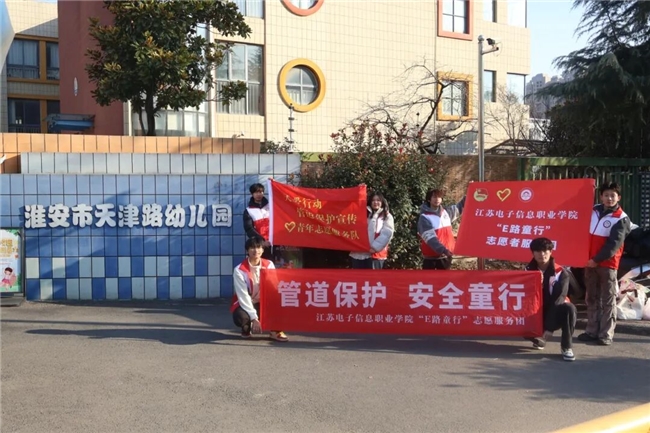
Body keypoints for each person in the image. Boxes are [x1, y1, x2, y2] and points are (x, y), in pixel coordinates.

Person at [578, 182, 631, 346]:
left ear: (618, 197)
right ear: (601, 196)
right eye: (606, 195)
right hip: (589, 262)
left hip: (607, 265)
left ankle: (606, 334)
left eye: (612, 195)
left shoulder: (621, 218)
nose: (609, 198)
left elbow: (613, 245)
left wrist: (596, 260)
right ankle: (591, 331)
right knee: (591, 298)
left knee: (608, 300)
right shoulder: (593, 210)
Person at [525, 237, 577, 362]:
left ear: (551, 252)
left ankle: (566, 347)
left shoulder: (561, 272)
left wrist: (550, 327)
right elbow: (524, 297)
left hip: (556, 310)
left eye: (545, 251)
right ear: (533, 253)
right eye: (538, 251)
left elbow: (559, 299)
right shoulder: (527, 271)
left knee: (570, 308)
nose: (542, 254)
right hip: (536, 311)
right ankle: (539, 339)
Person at [231, 236, 289, 342]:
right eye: (252, 248)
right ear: (247, 250)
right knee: (241, 317)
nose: (256, 250)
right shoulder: (239, 270)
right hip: (248, 302)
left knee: (281, 305)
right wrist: (254, 318)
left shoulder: (269, 264)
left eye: (259, 247)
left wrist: (266, 277)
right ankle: (247, 327)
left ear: (262, 250)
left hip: (264, 302)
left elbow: (274, 288)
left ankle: (275, 331)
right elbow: (243, 296)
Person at [417, 188, 465, 270]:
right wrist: (443, 250)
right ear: (429, 199)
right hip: (431, 258)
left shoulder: (446, 212)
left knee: (445, 278)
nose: (437, 199)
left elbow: (460, 206)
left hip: (446, 257)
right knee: (429, 278)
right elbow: (430, 238)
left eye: (439, 197)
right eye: (434, 197)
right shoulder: (424, 217)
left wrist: (472, 191)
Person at [349, 192, 395, 269]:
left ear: (382, 202)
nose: (375, 202)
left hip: (376, 254)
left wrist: (375, 248)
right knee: (358, 276)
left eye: (378, 200)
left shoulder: (386, 216)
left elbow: (387, 233)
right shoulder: (362, 213)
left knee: (373, 276)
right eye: (373, 200)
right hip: (358, 253)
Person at [243, 182, 272, 260]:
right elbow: (249, 229)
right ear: (252, 194)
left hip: (275, 243)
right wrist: (262, 241)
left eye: (261, 192)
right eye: (256, 192)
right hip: (259, 246)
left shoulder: (271, 206)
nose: (258, 194)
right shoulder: (248, 210)